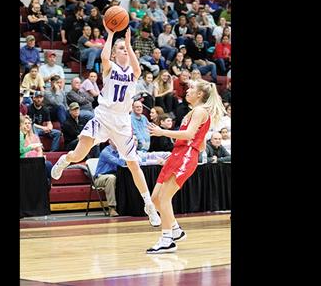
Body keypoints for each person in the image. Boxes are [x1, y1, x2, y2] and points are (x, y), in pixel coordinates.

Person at [51, 22, 161, 227]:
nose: (124, 52)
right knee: (79, 155)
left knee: (134, 164)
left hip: (121, 123)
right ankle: (66, 160)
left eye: (125, 50)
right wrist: (110, 35)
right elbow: (103, 57)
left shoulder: (133, 73)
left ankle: (149, 205)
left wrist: (127, 43)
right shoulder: (110, 68)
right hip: (102, 117)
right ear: (113, 54)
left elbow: (136, 66)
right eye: (120, 49)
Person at [146, 79, 225, 253]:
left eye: (192, 89)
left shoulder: (199, 110)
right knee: (154, 199)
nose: (187, 91)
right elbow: (201, 142)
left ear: (199, 95)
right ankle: (175, 230)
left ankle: (167, 239)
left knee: (164, 199)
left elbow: (189, 134)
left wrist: (162, 132)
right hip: (177, 154)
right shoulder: (193, 112)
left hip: (185, 155)